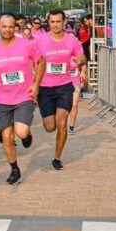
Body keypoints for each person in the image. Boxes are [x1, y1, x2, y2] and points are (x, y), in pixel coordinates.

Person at [0, 13, 43, 186]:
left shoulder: (26, 45)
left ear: (15, 27)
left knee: (21, 132)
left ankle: (27, 134)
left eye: (11, 26)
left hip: (24, 95)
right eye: (4, 26)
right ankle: (14, 169)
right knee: (7, 137)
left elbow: (42, 61)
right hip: (1, 99)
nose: (7, 29)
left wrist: (37, 84)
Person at [36, 9, 85, 170]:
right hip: (45, 87)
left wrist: (81, 60)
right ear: (48, 22)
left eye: (58, 21)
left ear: (64, 22)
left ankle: (57, 158)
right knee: (50, 127)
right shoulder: (40, 41)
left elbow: (82, 57)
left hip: (65, 86)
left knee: (62, 122)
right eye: (52, 21)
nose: (55, 25)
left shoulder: (72, 40)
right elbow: (29, 59)